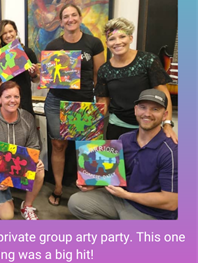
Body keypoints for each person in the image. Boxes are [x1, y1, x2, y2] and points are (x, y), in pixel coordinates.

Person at [68, 89, 178, 220]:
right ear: (135, 110)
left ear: (165, 115)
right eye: (143, 107)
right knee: (76, 202)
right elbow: (115, 175)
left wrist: (127, 195)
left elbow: (171, 202)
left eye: (155, 109)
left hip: (150, 211)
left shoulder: (171, 151)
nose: (147, 114)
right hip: (121, 199)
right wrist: (93, 183)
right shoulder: (125, 139)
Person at [44, 4, 105, 206]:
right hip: (56, 101)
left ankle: (89, 189)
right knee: (58, 144)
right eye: (65, 16)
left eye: (73, 15)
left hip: (83, 101)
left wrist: (99, 102)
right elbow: (49, 77)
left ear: (79, 18)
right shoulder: (53, 45)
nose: (70, 19)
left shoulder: (93, 43)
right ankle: (58, 187)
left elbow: (99, 76)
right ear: (61, 22)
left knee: (86, 147)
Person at [95, 17, 177, 142]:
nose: (117, 42)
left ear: (130, 38)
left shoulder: (148, 60)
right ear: (107, 43)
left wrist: (167, 124)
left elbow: (163, 94)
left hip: (148, 126)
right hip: (117, 128)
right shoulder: (104, 70)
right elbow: (103, 102)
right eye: (112, 39)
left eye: (122, 37)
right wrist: (90, 125)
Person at [0, 81, 45, 220]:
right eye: (8, 97)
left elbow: (34, 145)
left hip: (18, 166)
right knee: (7, 216)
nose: (12, 100)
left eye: (16, 96)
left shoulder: (27, 118)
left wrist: (35, 160)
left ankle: (27, 206)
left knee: (39, 170)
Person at [0, 19, 39, 116]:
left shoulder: (27, 52)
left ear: (15, 32)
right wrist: (3, 95)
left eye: (10, 31)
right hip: (5, 102)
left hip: (24, 100)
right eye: (4, 33)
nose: (8, 35)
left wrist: (34, 74)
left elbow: (37, 80)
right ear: (0, 36)